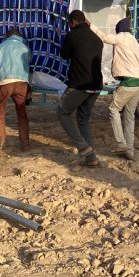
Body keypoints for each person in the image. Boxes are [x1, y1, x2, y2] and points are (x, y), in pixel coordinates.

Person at [89, 17, 139, 161]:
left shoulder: (121, 37)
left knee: (113, 109)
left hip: (129, 81)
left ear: (119, 29)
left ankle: (121, 143)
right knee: (129, 116)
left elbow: (104, 37)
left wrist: (91, 25)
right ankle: (130, 151)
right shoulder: (134, 40)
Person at [58, 10, 104, 167]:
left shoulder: (72, 35)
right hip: (96, 86)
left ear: (72, 22)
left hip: (80, 85)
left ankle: (83, 147)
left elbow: (64, 54)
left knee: (63, 112)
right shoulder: (97, 38)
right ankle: (91, 158)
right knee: (83, 118)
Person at [0, 28, 31, 151]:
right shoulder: (25, 47)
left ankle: (0, 139)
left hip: (5, 82)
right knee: (22, 113)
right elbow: (28, 62)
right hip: (21, 83)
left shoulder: (1, 46)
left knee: (0, 111)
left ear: (8, 36)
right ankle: (25, 144)